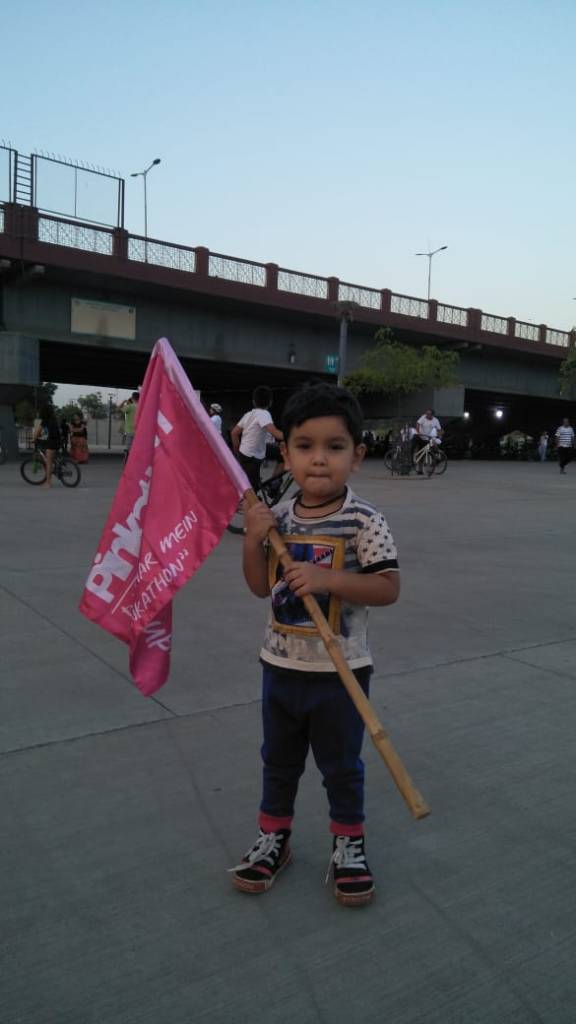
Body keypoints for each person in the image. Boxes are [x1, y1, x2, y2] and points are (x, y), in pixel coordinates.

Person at [229, 382, 400, 906]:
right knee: (278, 761)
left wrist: (329, 580)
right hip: (280, 666)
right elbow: (259, 587)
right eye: (305, 446)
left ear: (358, 455)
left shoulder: (364, 520)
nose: (319, 459)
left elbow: (387, 587)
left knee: (341, 765)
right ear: (285, 454)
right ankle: (273, 838)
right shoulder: (277, 517)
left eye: (335, 447)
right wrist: (254, 540)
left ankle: (349, 844)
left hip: (341, 673)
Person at [230, 385, 283, 492]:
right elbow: (274, 432)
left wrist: (238, 451)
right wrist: (293, 437)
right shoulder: (264, 413)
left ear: (253, 402)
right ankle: (272, 484)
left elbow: (234, 433)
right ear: (270, 402)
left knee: (282, 454)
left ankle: (272, 484)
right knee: (252, 492)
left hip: (247, 452)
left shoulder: (248, 415)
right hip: (252, 456)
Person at [32, 404, 61, 488]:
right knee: (51, 458)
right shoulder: (54, 419)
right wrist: (41, 435)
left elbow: (37, 432)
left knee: (48, 463)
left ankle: (48, 483)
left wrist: (34, 439)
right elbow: (49, 431)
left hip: (52, 442)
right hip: (58, 441)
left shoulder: (45, 421)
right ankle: (56, 466)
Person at [414, 408, 442, 474]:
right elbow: (418, 424)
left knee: (433, 447)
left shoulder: (435, 420)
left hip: (427, 437)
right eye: (426, 413)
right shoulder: (423, 417)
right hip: (420, 437)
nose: (427, 415)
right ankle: (419, 469)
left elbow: (439, 429)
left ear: (432, 415)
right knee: (420, 453)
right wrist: (418, 432)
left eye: (428, 414)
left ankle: (436, 459)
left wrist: (440, 436)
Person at [118, 392, 140, 457]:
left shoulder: (130, 407)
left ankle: (129, 460)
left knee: (128, 448)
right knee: (137, 447)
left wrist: (124, 401)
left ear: (132, 398)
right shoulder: (142, 406)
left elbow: (118, 409)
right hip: (139, 431)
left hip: (130, 431)